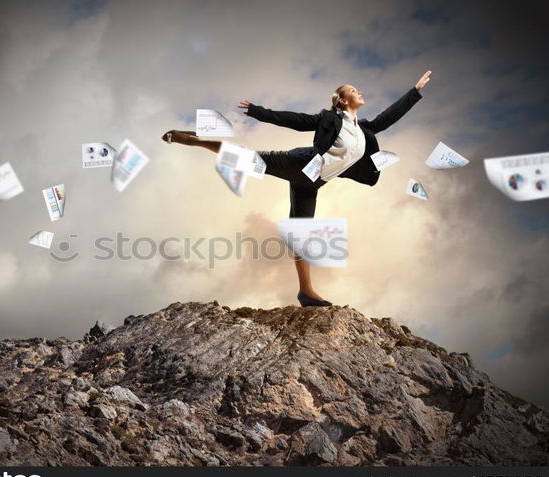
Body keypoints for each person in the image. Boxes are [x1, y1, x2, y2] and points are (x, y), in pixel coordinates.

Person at [162, 70, 432, 307]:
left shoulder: (365, 130)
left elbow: (389, 117)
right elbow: (296, 120)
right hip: (301, 163)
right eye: (353, 90)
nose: (359, 92)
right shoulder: (329, 118)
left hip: (315, 181)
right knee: (249, 160)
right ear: (342, 100)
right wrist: (259, 112)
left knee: (301, 232)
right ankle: (197, 140)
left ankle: (305, 292)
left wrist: (415, 91)